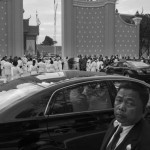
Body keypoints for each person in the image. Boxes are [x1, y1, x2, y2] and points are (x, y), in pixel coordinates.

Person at [100, 82, 150, 150]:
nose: (121, 107)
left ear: (144, 111)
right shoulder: (115, 123)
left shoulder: (145, 141)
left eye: (129, 103)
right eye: (119, 100)